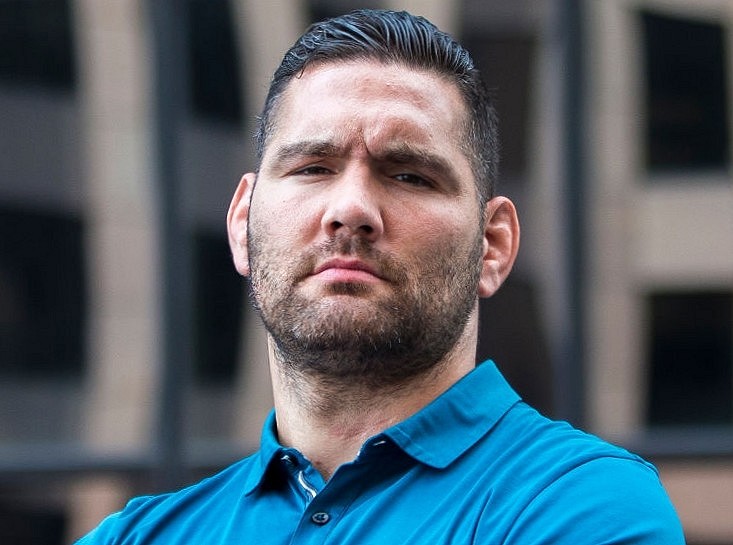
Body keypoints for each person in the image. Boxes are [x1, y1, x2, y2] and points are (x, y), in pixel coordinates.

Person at [76, 9, 685, 544]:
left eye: (410, 176)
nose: (351, 209)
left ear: (492, 246)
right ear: (243, 225)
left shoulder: (583, 506)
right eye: (313, 167)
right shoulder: (136, 536)